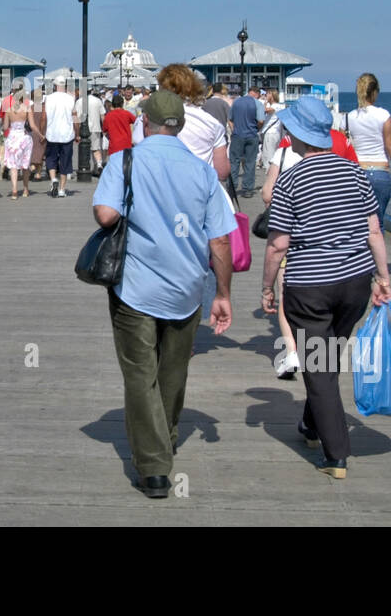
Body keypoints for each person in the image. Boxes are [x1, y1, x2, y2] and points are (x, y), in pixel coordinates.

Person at [93, 89, 236, 499]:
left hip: (135, 286)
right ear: (182, 126)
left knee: (140, 374)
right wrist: (221, 294)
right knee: (173, 370)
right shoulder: (203, 172)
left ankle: (154, 468)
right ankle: (167, 435)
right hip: (188, 287)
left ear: (145, 122)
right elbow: (221, 241)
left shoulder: (126, 161)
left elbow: (106, 214)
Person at [260, 95, 391, 479]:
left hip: (310, 285)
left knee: (319, 364)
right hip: (354, 283)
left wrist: (268, 288)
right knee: (327, 355)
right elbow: (373, 231)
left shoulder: (291, 178)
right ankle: (313, 423)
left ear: (297, 135)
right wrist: (383, 278)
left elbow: (278, 243)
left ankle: (336, 454)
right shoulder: (355, 173)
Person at [262, 107, 359, 378]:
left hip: (295, 239)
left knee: (285, 292)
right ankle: (326, 359)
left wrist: (264, 287)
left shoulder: (286, 145)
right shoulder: (341, 141)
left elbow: (267, 193)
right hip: (341, 248)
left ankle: (292, 351)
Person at [345, 73, 391, 227]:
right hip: (380, 173)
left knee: (356, 224)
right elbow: (390, 145)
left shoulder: (349, 118)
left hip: (357, 173)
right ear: (375, 92)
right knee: (377, 225)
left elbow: (345, 147)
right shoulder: (383, 115)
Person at [156, 64, 229, 181]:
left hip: (159, 189)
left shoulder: (148, 119)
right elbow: (222, 172)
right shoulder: (211, 123)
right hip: (199, 188)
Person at [43, 76, 78, 197]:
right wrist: (77, 133)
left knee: (51, 158)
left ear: (54, 85)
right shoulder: (71, 98)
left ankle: (53, 179)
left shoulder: (49, 98)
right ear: (65, 85)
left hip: (52, 133)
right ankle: (62, 190)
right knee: (65, 161)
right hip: (67, 134)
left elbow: (44, 117)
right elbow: (75, 117)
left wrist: (43, 132)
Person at [229, 86, 263, 195]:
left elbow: (230, 119)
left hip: (237, 135)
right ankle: (247, 189)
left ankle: (232, 188)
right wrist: (256, 128)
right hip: (252, 135)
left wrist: (234, 130)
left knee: (234, 162)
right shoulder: (257, 103)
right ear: (257, 93)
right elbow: (261, 120)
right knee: (250, 162)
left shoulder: (236, 102)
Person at [2, 89, 34, 198]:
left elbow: (5, 127)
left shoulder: (8, 110)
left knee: (13, 166)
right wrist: (41, 135)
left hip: (12, 138)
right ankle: (25, 190)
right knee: (25, 165)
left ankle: (14, 190)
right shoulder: (27, 109)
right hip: (24, 138)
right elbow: (32, 126)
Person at [101, 93, 134, 161]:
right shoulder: (127, 113)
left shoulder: (108, 116)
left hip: (114, 145)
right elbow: (136, 121)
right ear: (122, 104)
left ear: (112, 104)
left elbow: (104, 129)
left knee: (115, 167)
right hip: (126, 144)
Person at [28, 87, 48, 181]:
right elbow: (44, 119)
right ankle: (38, 174)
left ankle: (32, 167)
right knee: (41, 152)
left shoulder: (30, 108)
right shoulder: (44, 107)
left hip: (33, 132)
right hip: (42, 131)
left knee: (33, 152)